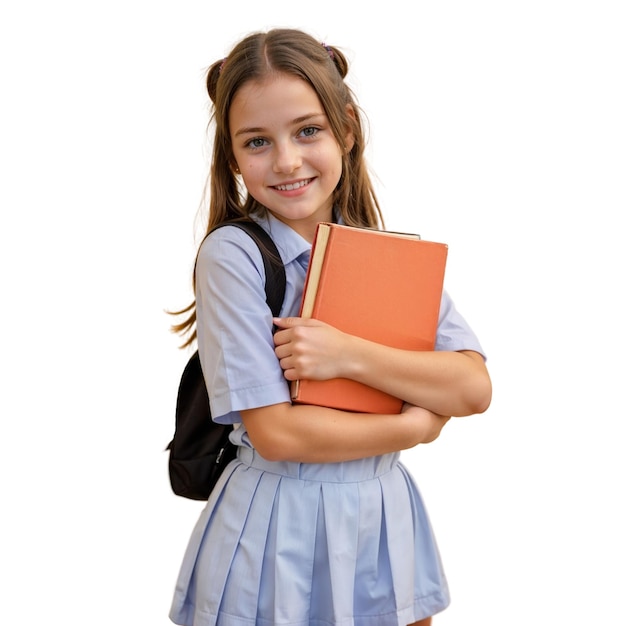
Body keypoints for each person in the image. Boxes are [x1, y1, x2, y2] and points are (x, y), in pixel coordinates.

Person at [168, 27, 492, 626]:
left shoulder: (380, 255)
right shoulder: (233, 256)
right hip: (277, 527)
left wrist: (348, 355)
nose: (287, 160)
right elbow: (278, 435)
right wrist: (415, 427)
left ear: (346, 129)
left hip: (382, 520)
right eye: (257, 141)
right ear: (233, 158)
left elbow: (472, 389)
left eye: (308, 130)